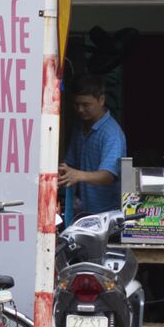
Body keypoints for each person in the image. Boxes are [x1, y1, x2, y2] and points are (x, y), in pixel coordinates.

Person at [59, 77, 126, 221]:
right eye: (76, 104)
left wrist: (77, 175)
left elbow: (109, 175)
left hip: (108, 216)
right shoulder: (80, 126)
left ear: (101, 100)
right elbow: (71, 163)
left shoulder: (111, 134)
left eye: (86, 104)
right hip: (84, 213)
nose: (80, 110)